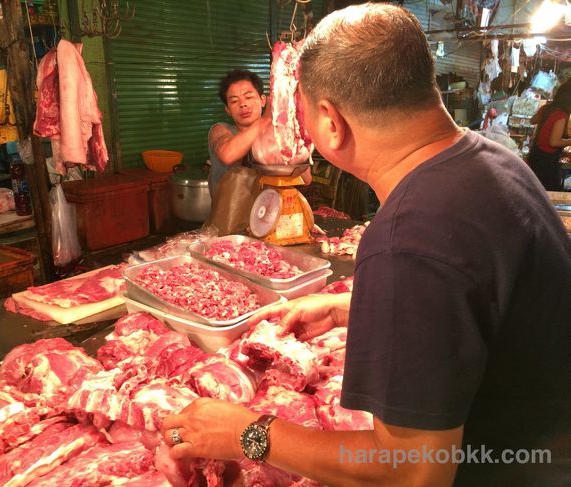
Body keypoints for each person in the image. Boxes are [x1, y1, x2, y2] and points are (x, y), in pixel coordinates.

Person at [162, 4, 571, 487]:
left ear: (331, 122)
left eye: (303, 116)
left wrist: (248, 433)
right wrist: (347, 307)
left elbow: (414, 471)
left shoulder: (408, 237)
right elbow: (479, 295)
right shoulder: (494, 161)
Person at [208, 69, 311, 198]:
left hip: (270, 214)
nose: (243, 104)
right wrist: (267, 119)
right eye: (234, 101)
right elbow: (227, 155)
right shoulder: (220, 130)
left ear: (263, 100)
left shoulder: (278, 138)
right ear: (227, 110)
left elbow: (306, 179)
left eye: (249, 97)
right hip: (231, 216)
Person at [528, 80, 571, 190]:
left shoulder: (546, 108)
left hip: (536, 154)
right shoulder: (561, 115)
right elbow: (554, 142)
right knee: (549, 191)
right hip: (546, 161)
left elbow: (532, 120)